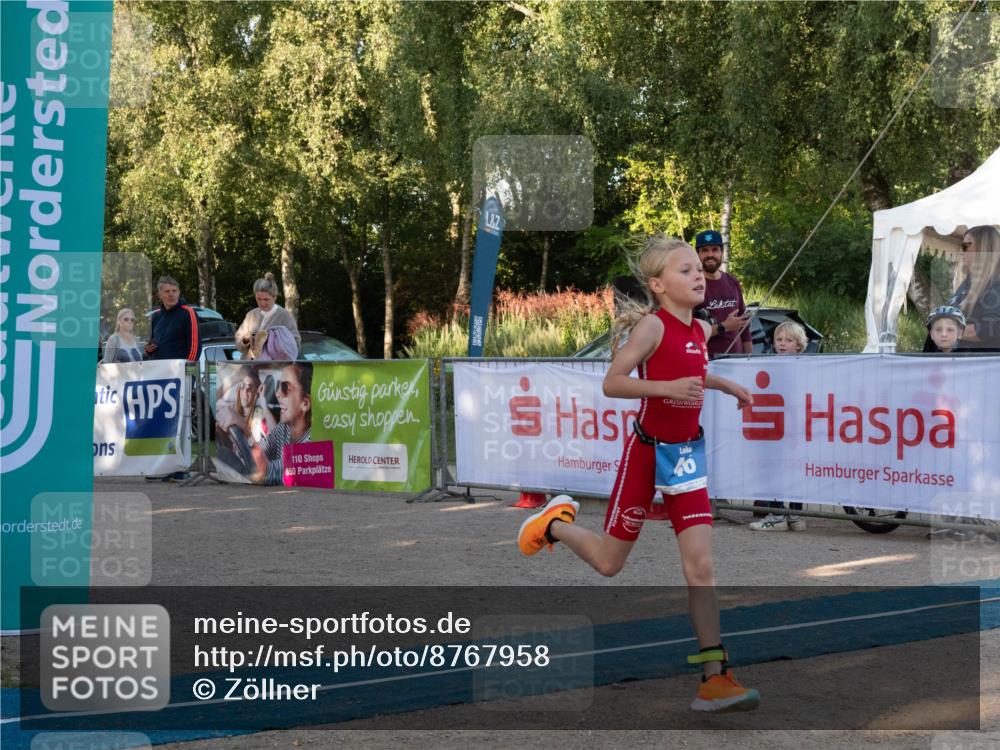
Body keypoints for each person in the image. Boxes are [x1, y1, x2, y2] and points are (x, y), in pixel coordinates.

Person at [517, 235, 760, 713]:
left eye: (698, 269)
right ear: (658, 285)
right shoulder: (652, 326)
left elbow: (693, 371)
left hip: (685, 456)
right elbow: (613, 382)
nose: (698, 276)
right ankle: (554, 524)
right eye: (686, 270)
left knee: (701, 567)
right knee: (610, 563)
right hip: (647, 454)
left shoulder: (700, 330)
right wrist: (667, 387)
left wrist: (726, 385)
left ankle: (714, 678)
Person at [749, 320, 808, 532]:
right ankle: (779, 512)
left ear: (799, 345)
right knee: (774, 468)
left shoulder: (805, 368)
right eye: (779, 339)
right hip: (774, 427)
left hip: (794, 426)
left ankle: (792, 514)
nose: (782, 343)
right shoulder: (771, 365)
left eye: (788, 340)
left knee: (794, 468)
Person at [925, 226, 1000, 353]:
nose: (961, 251)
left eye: (966, 246)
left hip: (975, 363)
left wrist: (950, 332)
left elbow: (994, 329)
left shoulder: (995, 285)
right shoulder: (969, 283)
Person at [694, 230, 753, 359]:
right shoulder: (692, 285)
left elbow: (744, 327)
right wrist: (724, 327)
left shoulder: (732, 281)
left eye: (715, 250)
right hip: (707, 362)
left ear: (721, 252)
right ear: (697, 254)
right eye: (704, 250)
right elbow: (688, 331)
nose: (710, 254)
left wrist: (749, 359)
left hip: (736, 361)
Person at [251, 362, 312, 485]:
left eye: (286, 387)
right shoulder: (284, 428)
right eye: (278, 385)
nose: (277, 393)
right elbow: (263, 448)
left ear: (305, 404)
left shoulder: (312, 442)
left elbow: (266, 472)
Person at [235, 273, 300, 361]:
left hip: (273, 367)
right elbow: (238, 343)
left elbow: (295, 345)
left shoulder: (284, 316)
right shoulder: (251, 315)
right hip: (248, 366)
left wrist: (272, 341)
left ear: (274, 297)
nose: (262, 303)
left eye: (266, 299)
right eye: (259, 299)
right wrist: (245, 340)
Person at [145, 276, 201, 362]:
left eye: (174, 291)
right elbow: (151, 346)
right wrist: (148, 349)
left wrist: (188, 367)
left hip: (179, 368)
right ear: (159, 295)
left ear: (179, 293)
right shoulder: (156, 316)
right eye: (167, 291)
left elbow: (195, 347)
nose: (171, 294)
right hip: (158, 368)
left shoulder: (188, 312)